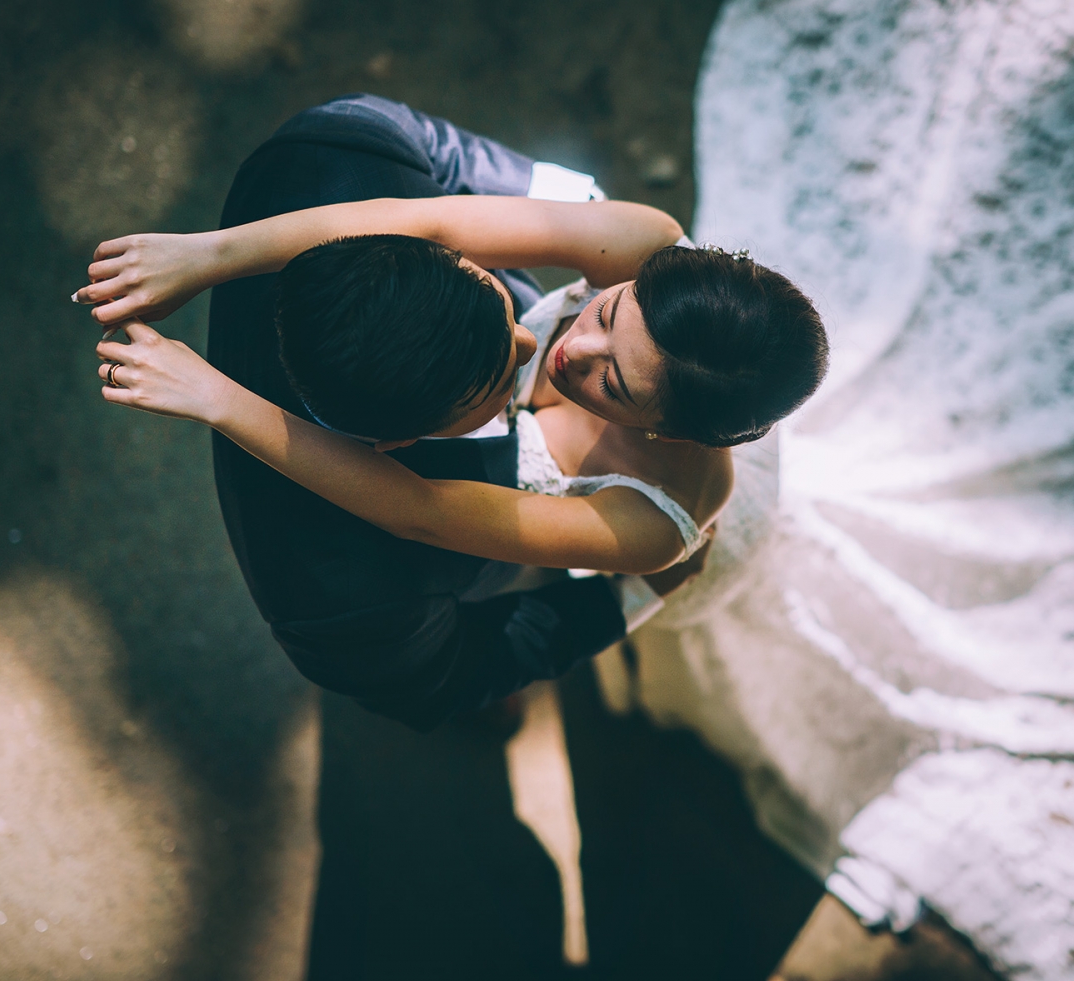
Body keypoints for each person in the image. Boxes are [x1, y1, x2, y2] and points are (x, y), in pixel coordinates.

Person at [75, 93, 828, 731]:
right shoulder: (648, 241)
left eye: (615, 383)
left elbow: (423, 510)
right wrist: (205, 257)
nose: (564, 344)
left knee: (570, 610)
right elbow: (427, 225)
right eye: (609, 309)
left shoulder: (654, 523)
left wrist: (217, 398)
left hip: (630, 546)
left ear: (664, 430)